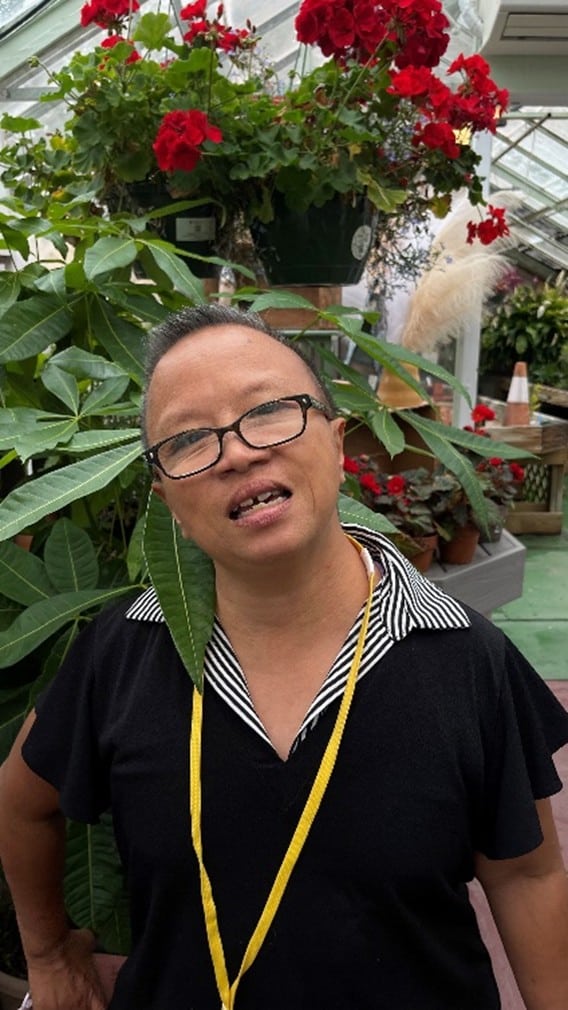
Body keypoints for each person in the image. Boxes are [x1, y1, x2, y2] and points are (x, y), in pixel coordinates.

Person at [0, 303, 567, 1010]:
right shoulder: (122, 652)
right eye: (188, 440)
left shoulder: (460, 655)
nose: (237, 452)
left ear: (336, 442)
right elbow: (21, 803)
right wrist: (50, 955)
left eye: (268, 410)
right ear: (166, 497)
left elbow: (526, 876)